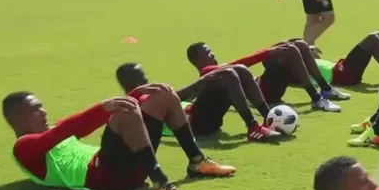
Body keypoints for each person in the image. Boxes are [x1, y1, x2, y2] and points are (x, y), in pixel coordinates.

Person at [3, 85, 236, 190]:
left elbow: (74, 125)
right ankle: (162, 185)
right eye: (35, 109)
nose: (44, 112)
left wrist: (136, 93)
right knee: (125, 113)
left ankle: (197, 162)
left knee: (164, 95)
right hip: (103, 176)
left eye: (41, 106)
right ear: (17, 119)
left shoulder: (51, 131)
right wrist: (103, 107)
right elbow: (67, 129)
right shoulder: (23, 147)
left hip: (128, 166)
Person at [115, 63, 280, 142]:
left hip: (196, 114)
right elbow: (175, 98)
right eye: (142, 79)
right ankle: (253, 127)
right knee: (228, 75)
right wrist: (203, 82)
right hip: (193, 124)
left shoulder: (145, 93)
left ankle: (269, 118)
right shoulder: (134, 103)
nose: (147, 81)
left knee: (240, 70)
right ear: (130, 83)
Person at [186, 39, 346, 113]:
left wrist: (272, 50)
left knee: (298, 44)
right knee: (291, 50)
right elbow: (242, 63)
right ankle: (317, 99)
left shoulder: (217, 68)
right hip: (264, 93)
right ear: (197, 60)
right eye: (208, 52)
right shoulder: (207, 73)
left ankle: (326, 89)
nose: (213, 53)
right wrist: (268, 53)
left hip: (262, 83)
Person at [300, 31, 379, 88]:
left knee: (377, 35)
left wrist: (309, 49)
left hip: (342, 69)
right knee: (373, 39)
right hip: (341, 74)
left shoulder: (305, 60)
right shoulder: (298, 66)